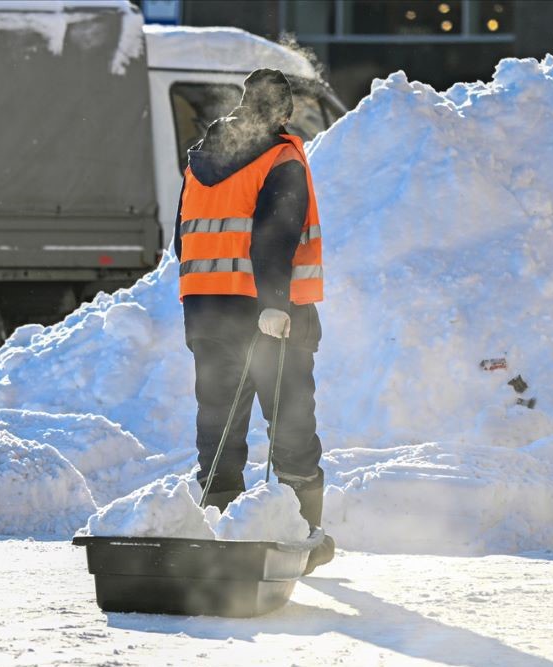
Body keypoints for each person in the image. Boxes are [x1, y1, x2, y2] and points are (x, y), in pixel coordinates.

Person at [174, 68, 333, 572]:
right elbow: (275, 235)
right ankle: (301, 537)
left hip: (206, 311)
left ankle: (223, 533)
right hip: (264, 315)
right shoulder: (280, 156)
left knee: (218, 424)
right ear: (284, 112)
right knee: (289, 423)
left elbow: (183, 238)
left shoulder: (202, 161)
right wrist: (275, 303)